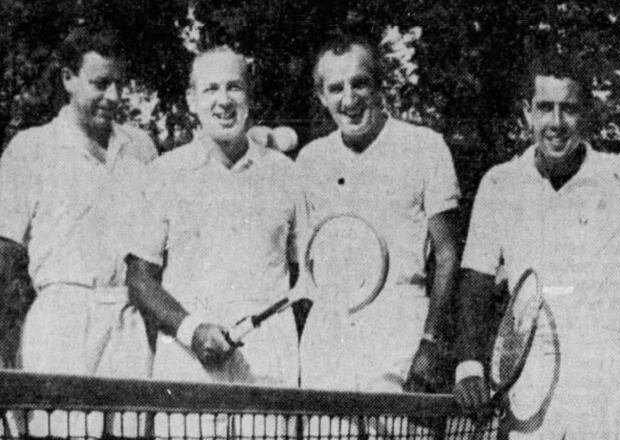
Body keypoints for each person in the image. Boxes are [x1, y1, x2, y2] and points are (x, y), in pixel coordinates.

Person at [452, 52, 620, 439]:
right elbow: (476, 279)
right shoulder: (500, 183)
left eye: (569, 109)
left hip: (606, 380)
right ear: (527, 114)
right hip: (530, 374)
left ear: (586, 114)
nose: (556, 123)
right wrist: (469, 363)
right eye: (545, 108)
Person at [125, 46, 306, 438]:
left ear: (250, 96)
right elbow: (139, 278)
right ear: (192, 100)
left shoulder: (287, 174)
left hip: (268, 370)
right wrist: (191, 330)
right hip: (186, 366)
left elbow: (304, 277)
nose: (223, 100)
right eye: (211, 89)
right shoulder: (164, 173)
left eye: (234, 87)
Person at [0, 27, 158, 438]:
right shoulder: (30, 148)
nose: (114, 96)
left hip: (127, 321)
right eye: (101, 84)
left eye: (120, 83)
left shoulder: (141, 148)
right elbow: (3, 258)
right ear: (69, 78)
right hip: (61, 321)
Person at [298, 35, 460, 394]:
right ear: (321, 96)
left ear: (379, 86)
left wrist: (430, 342)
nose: (349, 100)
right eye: (335, 88)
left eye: (360, 83)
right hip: (328, 338)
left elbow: (447, 255)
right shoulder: (310, 161)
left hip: (400, 333)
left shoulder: (425, 146)